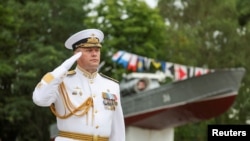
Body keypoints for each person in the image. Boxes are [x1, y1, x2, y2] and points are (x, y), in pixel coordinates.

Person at [32, 29, 126, 141]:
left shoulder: (111, 85)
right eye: (89, 50)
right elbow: (39, 99)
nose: (94, 54)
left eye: (97, 50)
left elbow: (117, 127)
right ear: (77, 55)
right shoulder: (61, 81)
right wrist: (60, 71)